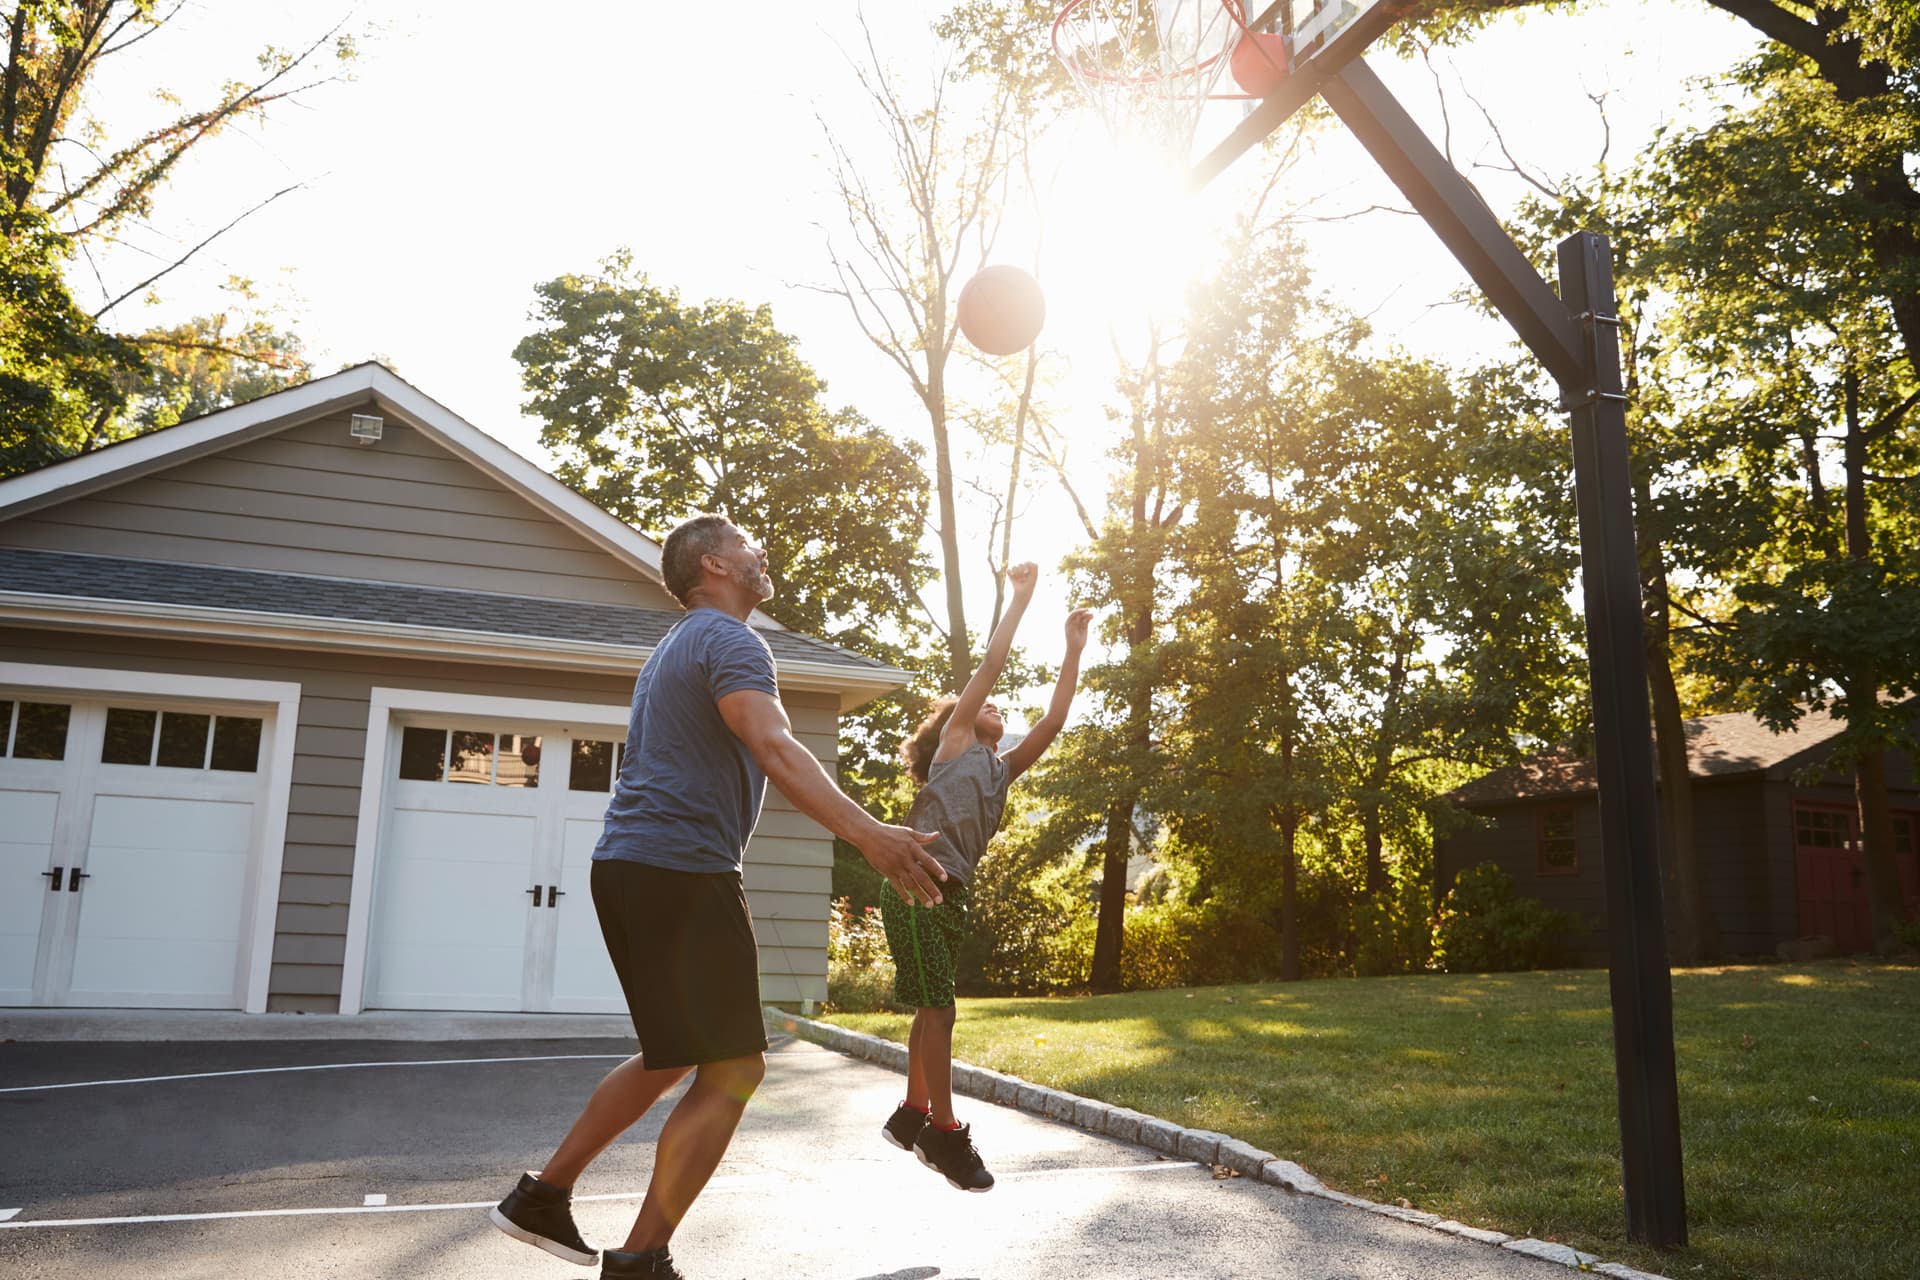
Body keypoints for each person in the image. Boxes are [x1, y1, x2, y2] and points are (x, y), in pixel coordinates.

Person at [491, 514, 946, 1280]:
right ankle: (638, 1260)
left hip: (632, 867)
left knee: (676, 1057)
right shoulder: (732, 642)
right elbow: (773, 746)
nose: (761, 549)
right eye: (745, 543)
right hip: (680, 871)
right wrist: (869, 833)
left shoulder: (675, 648)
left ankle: (543, 1195)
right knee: (735, 1066)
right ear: (713, 565)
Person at [879, 561, 1091, 1192]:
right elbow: (990, 667)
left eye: (998, 708)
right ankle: (943, 1132)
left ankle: (913, 1112)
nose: (996, 705)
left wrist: (1072, 649)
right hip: (917, 883)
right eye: (982, 706)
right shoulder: (955, 745)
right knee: (939, 1008)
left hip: (952, 893)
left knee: (933, 1007)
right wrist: (1020, 600)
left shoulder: (1001, 768)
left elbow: (1052, 722)